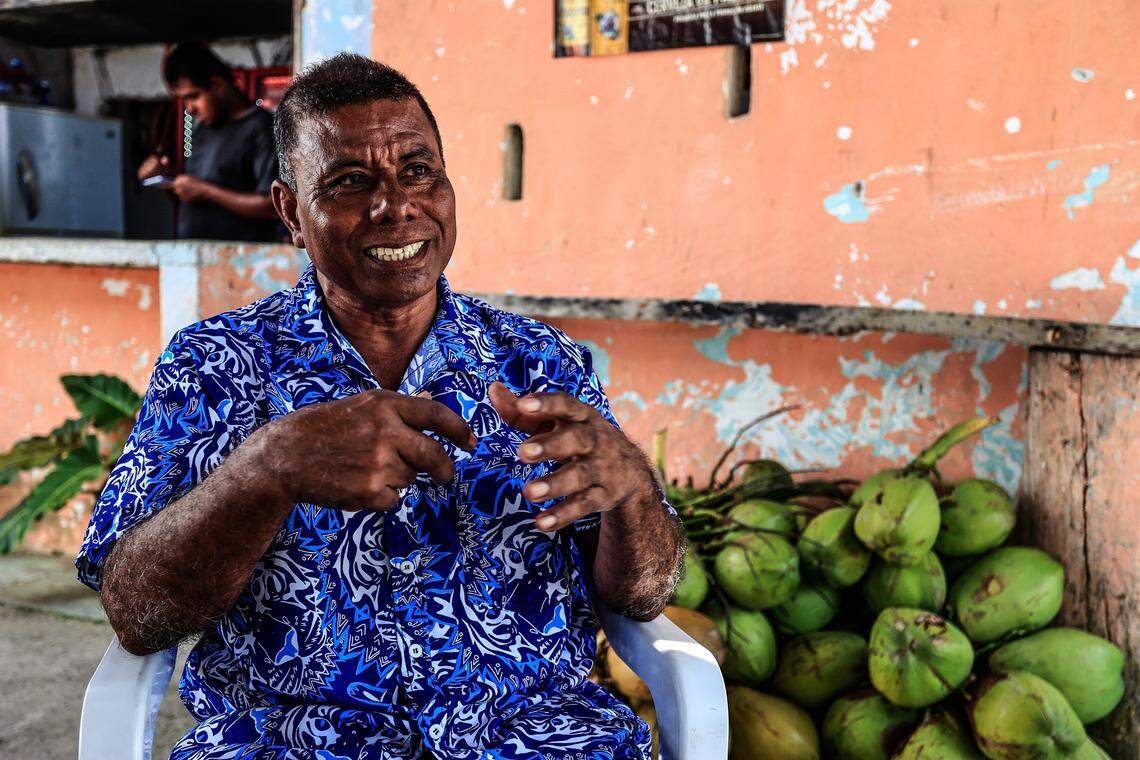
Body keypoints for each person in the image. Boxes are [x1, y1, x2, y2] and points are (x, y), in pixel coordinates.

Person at [79, 53, 684, 759]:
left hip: (532, 738)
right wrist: (266, 472)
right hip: (296, 745)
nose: (396, 204)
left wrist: (633, 494)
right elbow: (135, 613)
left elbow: (642, 598)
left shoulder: (540, 362)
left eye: (419, 171)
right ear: (289, 214)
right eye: (349, 181)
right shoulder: (213, 365)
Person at [137, 42, 281, 242]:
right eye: (184, 101)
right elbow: (202, 184)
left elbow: (272, 207)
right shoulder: (203, 130)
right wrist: (165, 177)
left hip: (242, 262)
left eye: (193, 97)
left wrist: (205, 191)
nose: (190, 109)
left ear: (217, 85)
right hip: (196, 260)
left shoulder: (263, 129)